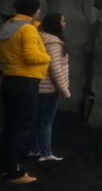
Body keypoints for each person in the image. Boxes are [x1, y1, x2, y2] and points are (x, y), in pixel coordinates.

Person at [0, 0, 51, 184]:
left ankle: (5, 168)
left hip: (9, 79)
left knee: (11, 126)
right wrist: (47, 57)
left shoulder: (8, 28)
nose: (39, 13)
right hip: (26, 81)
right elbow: (31, 56)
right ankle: (17, 172)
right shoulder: (28, 29)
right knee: (24, 127)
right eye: (38, 10)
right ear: (33, 11)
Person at [30, 13, 71, 162]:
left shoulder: (39, 37)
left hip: (37, 85)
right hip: (49, 90)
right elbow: (55, 69)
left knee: (36, 119)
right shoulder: (54, 43)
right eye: (63, 21)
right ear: (56, 24)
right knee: (45, 121)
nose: (65, 23)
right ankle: (46, 153)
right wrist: (64, 90)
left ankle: (34, 149)